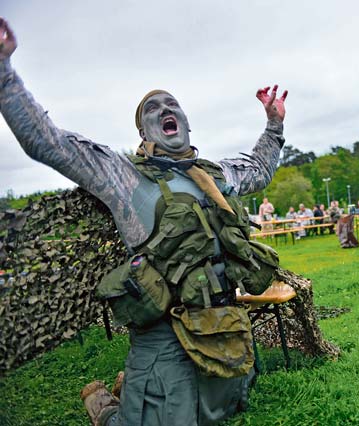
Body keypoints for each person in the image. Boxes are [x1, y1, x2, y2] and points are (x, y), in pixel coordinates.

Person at [0, 18, 288, 426]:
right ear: (144, 131)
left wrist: (274, 124)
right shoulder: (123, 177)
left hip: (224, 324)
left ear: (185, 122)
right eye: (153, 109)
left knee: (224, 409)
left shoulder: (217, 175)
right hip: (165, 337)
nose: (165, 109)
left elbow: (258, 169)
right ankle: (103, 404)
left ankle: (133, 391)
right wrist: (4, 71)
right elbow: (49, 143)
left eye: (172, 104)